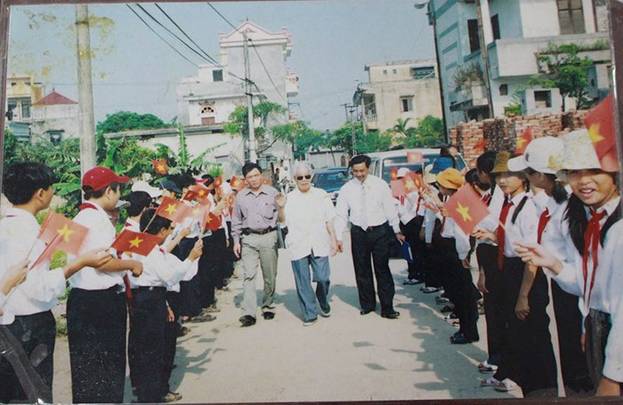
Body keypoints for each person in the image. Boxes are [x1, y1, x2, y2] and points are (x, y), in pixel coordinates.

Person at [515, 129, 622, 397]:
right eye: (574, 172)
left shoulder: (618, 227)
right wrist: (553, 264)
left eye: (593, 170)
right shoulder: (592, 219)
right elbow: (590, 286)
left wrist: (612, 374)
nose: (583, 181)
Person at [0, 162, 114, 403]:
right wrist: (78, 263)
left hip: (9, 322)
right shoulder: (29, 232)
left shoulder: (6, 225)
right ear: (40, 194)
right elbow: (38, 287)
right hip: (29, 325)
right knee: (35, 393)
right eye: (51, 188)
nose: (53, 193)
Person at [508, 135, 593, 395]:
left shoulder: (570, 209)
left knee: (577, 362)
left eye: (529, 172)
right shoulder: (553, 203)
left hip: (572, 289)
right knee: (568, 356)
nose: (526, 176)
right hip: (561, 284)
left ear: (542, 177)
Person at [474, 152, 557, 396]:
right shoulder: (511, 205)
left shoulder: (529, 207)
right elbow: (510, 240)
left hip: (526, 274)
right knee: (518, 333)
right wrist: (489, 236)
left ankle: (545, 389)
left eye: (508, 175)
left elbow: (532, 257)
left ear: (523, 178)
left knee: (533, 335)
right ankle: (527, 384)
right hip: (510, 270)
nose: (502, 180)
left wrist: (523, 295)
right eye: (499, 175)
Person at [67, 166, 143, 404]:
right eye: (118, 190)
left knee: (86, 371)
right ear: (109, 191)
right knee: (108, 369)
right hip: (101, 302)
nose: (119, 196)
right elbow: (103, 263)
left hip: (81, 299)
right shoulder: (98, 220)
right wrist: (130, 264)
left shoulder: (80, 216)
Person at [129, 209, 202, 403]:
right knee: (154, 349)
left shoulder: (140, 244)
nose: (171, 232)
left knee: (146, 348)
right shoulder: (151, 250)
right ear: (161, 231)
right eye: (169, 229)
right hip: (150, 299)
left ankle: (148, 391)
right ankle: (151, 394)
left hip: (148, 297)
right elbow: (169, 277)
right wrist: (191, 258)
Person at [335, 155, 404, 319]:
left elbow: (389, 208)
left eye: (362, 171)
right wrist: (338, 237)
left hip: (379, 230)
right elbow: (341, 214)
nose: (359, 174)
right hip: (359, 232)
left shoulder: (380, 185)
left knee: (382, 269)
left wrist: (397, 230)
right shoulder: (346, 189)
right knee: (362, 269)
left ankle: (387, 307)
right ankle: (367, 304)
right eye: (355, 171)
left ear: (369, 168)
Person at [278, 161, 339, 326]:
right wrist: (281, 209)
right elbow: (283, 224)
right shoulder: (289, 198)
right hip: (298, 244)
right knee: (303, 281)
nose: (304, 180)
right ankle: (310, 313)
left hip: (319, 242)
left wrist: (333, 239)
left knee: (323, 277)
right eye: (300, 177)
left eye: (306, 176)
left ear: (311, 176)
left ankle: (322, 299)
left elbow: (329, 220)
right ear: (294, 179)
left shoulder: (321, 195)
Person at [232, 162, 282, 327]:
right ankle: (249, 312)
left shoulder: (272, 193)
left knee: (270, 275)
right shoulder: (240, 197)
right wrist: (236, 241)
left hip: (268, 236)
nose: (253, 180)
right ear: (245, 180)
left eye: (255, 175)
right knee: (249, 276)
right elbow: (236, 220)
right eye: (249, 177)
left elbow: (281, 216)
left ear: (261, 175)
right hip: (249, 239)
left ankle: (268, 305)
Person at [436, 168, 480, 344]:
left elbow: (462, 233)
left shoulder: (459, 202)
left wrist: (463, 255)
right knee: (457, 292)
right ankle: (465, 327)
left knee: (463, 294)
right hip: (450, 247)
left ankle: (468, 331)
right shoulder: (452, 199)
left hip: (455, 251)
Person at [473, 151, 506, 374]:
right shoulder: (491, 193)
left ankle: (501, 361)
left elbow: (492, 223)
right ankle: (495, 356)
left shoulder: (501, 195)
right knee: (493, 313)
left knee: (499, 314)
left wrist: (471, 214)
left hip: (497, 257)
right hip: (487, 254)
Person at [395, 167, 424, 285]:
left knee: (416, 250)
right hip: (404, 222)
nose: (401, 180)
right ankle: (412, 273)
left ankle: (418, 275)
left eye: (403, 178)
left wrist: (409, 194)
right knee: (408, 250)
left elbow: (416, 205)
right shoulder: (397, 189)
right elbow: (396, 206)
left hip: (414, 221)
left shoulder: (413, 189)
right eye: (399, 178)